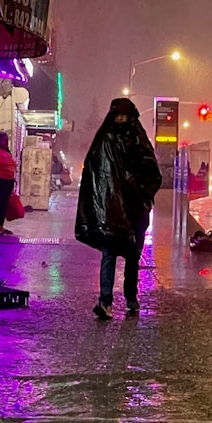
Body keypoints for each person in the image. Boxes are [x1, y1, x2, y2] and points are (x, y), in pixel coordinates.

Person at [74, 97, 162, 319]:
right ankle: (105, 301)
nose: (120, 120)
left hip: (134, 208)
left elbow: (151, 172)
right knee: (110, 253)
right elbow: (95, 172)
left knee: (132, 255)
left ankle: (130, 297)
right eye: (117, 116)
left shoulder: (138, 140)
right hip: (112, 210)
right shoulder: (105, 140)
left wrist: (140, 193)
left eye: (124, 116)